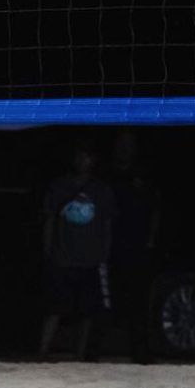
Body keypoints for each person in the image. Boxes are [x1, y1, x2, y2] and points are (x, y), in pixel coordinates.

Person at [39, 144, 117, 360]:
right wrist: (48, 252)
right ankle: (42, 353)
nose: (84, 161)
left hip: (90, 260)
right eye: (80, 155)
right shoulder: (60, 186)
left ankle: (79, 356)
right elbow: (50, 220)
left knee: (87, 312)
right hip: (62, 258)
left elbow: (107, 224)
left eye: (88, 156)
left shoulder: (101, 190)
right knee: (55, 309)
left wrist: (104, 255)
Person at [104, 129, 160, 361]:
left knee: (139, 300)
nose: (125, 147)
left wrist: (150, 240)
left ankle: (140, 351)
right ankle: (98, 350)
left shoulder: (143, 175)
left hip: (137, 246)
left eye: (129, 143)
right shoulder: (107, 174)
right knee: (108, 300)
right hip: (110, 245)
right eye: (121, 142)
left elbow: (156, 209)